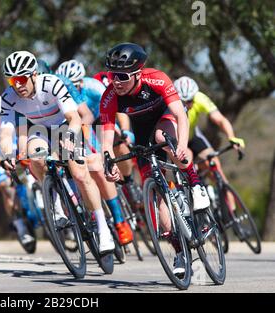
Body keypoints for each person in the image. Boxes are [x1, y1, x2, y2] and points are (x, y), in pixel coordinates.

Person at [99, 43, 210, 276]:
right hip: (141, 132)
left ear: (138, 73)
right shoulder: (110, 96)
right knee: (156, 191)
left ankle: (196, 185)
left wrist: (181, 145)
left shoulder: (156, 79)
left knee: (162, 135)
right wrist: (108, 161)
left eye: (121, 76)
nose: (115, 81)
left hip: (165, 118)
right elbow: (107, 137)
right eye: (111, 75)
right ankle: (180, 252)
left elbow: (181, 114)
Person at [0, 50, 115, 253]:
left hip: (65, 126)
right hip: (38, 130)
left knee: (79, 173)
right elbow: (6, 133)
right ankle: (55, 202)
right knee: (35, 155)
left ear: (34, 75)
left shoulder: (52, 84)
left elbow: (75, 118)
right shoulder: (8, 97)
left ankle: (104, 229)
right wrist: (7, 155)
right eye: (11, 81)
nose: (17, 85)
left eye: (21, 79)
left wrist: (70, 136)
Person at [56, 59, 134, 245]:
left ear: (81, 82)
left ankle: (119, 220)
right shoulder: (60, 93)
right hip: (77, 125)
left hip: (101, 118)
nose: (72, 89)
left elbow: (117, 109)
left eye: (74, 85)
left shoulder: (94, 87)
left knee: (101, 165)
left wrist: (124, 130)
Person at [174, 76, 245, 211]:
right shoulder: (171, 104)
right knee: (187, 160)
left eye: (190, 101)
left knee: (215, 166)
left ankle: (233, 212)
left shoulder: (199, 98)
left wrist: (232, 137)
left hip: (193, 138)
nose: (188, 105)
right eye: (184, 102)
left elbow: (220, 120)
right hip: (178, 142)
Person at [0, 95, 35, 247]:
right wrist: (3, 164)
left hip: (17, 151)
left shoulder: (15, 116)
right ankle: (21, 228)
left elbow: (29, 134)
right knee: (6, 187)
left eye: (0, 114)